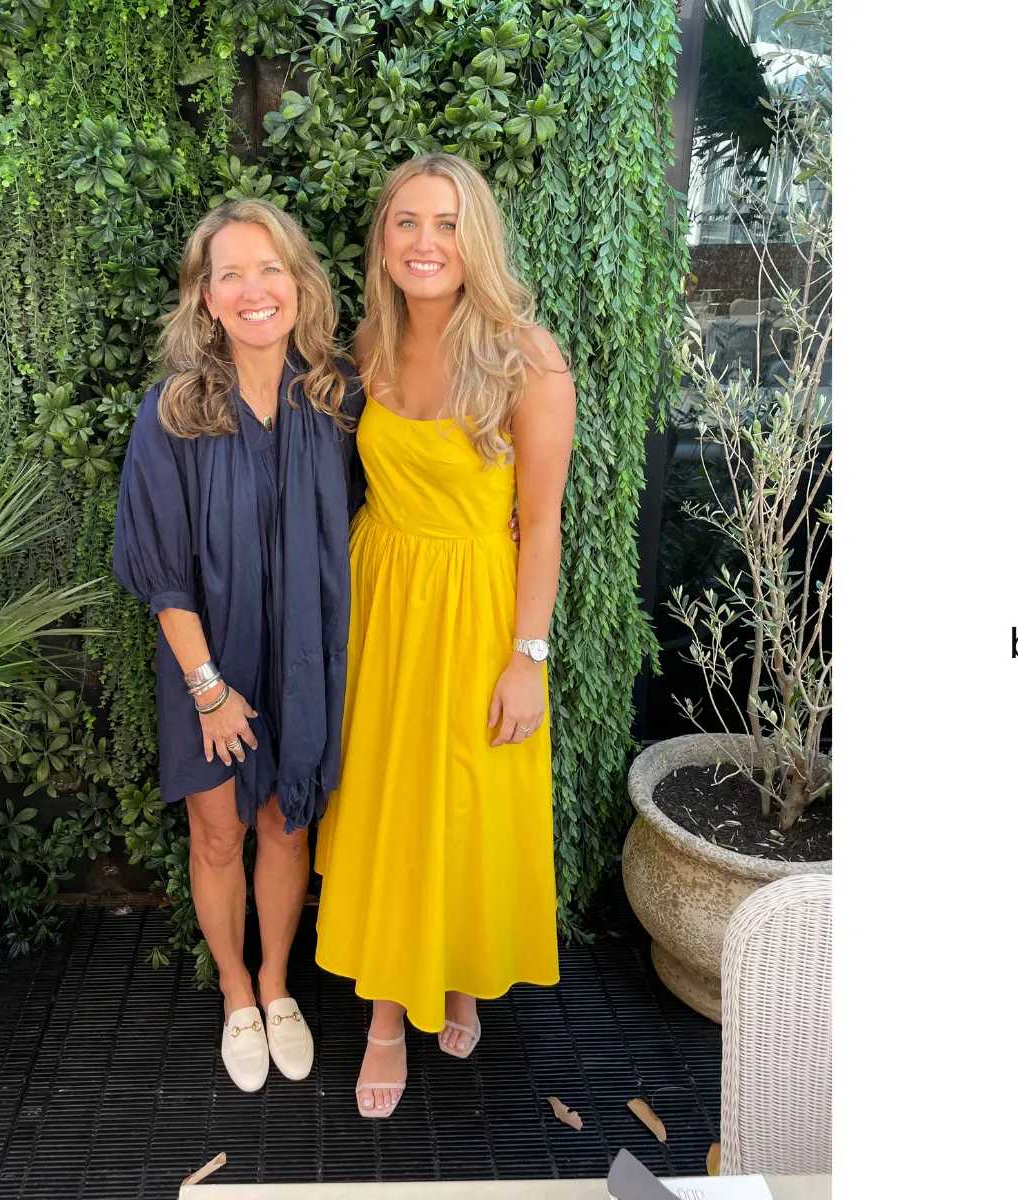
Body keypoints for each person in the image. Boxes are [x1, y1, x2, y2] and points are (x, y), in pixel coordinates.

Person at [312, 153, 576, 1119]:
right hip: (380, 605)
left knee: (462, 804)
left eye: (449, 224)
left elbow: (541, 523)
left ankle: (458, 969)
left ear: (479, 241)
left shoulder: (527, 358)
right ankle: (387, 1015)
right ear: (383, 240)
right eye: (408, 222)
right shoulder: (366, 347)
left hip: (473, 612)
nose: (427, 243)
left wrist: (527, 659)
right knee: (388, 807)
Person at [112, 199, 362, 1094]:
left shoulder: (338, 398)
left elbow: (391, 510)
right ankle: (234, 991)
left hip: (306, 658)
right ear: (207, 297)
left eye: (270, 269)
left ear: (298, 282)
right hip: (205, 665)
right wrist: (210, 691)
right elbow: (160, 571)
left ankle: (276, 984)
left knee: (287, 823)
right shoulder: (174, 410)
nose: (255, 290)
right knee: (218, 833)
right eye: (231, 275)